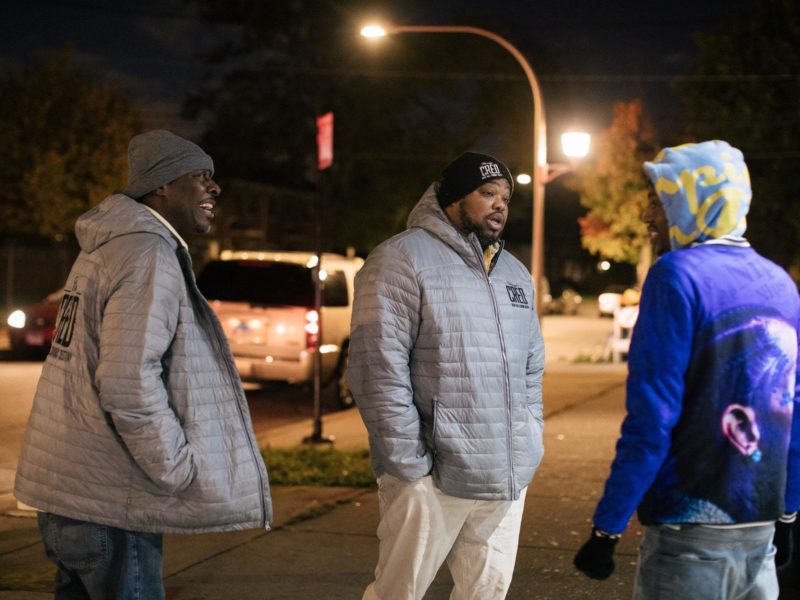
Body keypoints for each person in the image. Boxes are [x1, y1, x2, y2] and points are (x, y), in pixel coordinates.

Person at [14, 130, 272, 599]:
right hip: (112, 503)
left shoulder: (109, 246)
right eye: (201, 177)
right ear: (162, 186)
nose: (214, 188)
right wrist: (174, 468)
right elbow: (127, 382)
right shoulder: (146, 253)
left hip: (73, 497)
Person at [573, 140, 799, 599]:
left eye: (659, 201)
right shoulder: (781, 282)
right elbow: (792, 414)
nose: (648, 216)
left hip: (689, 534)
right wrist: (789, 511)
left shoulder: (676, 275)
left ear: (692, 200)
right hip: (760, 530)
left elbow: (652, 419)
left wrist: (608, 528)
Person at [347, 152, 545, 599]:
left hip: (506, 472)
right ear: (453, 198)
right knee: (399, 592)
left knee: (486, 593)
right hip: (433, 472)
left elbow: (533, 363)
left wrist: (530, 433)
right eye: (487, 193)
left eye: (506, 197)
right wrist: (410, 463)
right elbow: (376, 369)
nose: (500, 205)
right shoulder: (400, 259)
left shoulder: (515, 272)